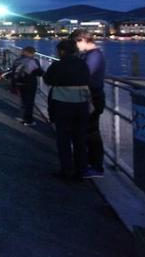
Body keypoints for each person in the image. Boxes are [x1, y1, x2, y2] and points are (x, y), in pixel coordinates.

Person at [44, 39, 91, 182]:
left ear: (62, 51)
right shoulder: (83, 64)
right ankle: (80, 171)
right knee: (79, 139)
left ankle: (66, 170)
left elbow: (48, 79)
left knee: (63, 139)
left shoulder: (58, 64)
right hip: (82, 104)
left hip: (63, 103)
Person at [70, 29, 106, 178]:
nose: (75, 47)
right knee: (87, 131)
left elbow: (84, 74)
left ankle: (96, 167)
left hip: (93, 97)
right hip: (90, 96)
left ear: (82, 40)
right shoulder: (90, 55)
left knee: (91, 133)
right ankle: (89, 164)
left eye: (75, 44)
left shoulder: (94, 56)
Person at [11, 47, 44, 126]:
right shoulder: (33, 61)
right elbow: (39, 72)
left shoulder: (17, 60)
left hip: (19, 83)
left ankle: (24, 117)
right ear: (31, 53)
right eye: (33, 53)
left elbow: (13, 72)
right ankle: (28, 120)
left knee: (24, 101)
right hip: (29, 84)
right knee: (29, 102)